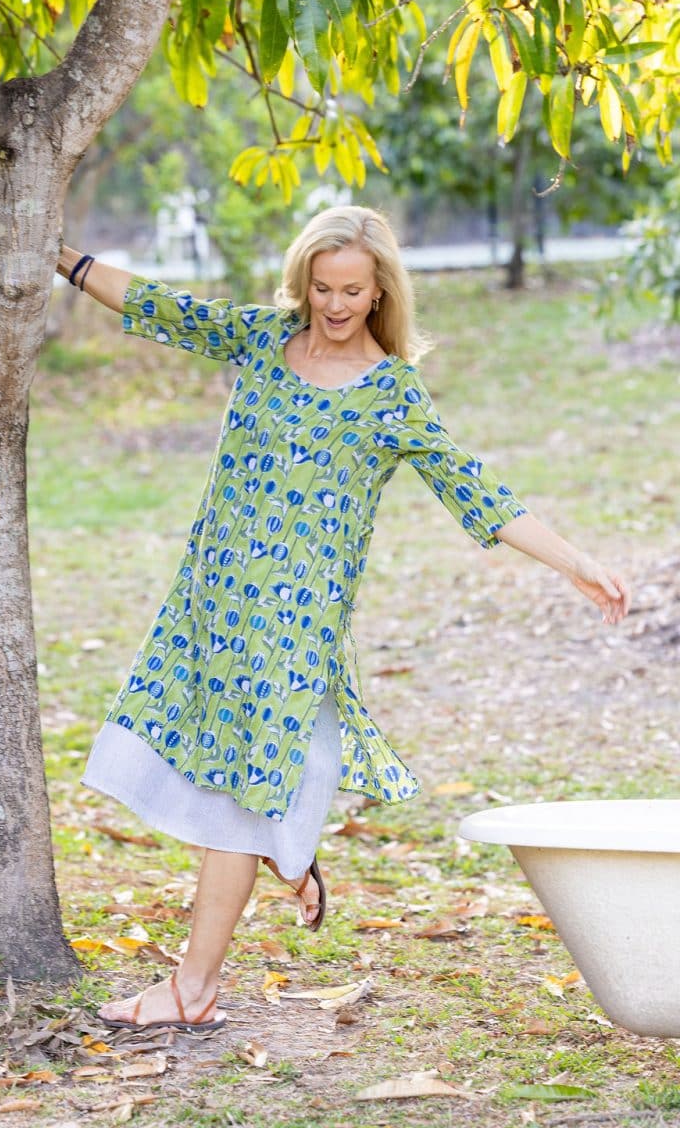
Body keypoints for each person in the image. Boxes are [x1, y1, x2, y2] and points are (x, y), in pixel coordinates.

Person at [56, 206, 630, 1034]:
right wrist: (60, 258)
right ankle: (287, 855)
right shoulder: (262, 339)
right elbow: (156, 304)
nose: (334, 304)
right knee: (202, 764)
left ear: (379, 292)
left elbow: (474, 489)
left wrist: (576, 563)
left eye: (352, 291)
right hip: (211, 603)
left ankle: (194, 986)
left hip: (296, 624)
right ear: (304, 283)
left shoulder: (392, 393)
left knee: (237, 800)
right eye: (322, 287)